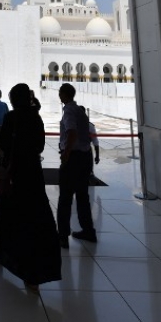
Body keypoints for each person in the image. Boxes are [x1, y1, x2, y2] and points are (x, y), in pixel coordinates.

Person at [0, 83, 61, 293]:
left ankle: (1, 252)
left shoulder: (12, 117)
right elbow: (39, 145)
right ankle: (35, 275)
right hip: (33, 175)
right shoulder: (36, 117)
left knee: (10, 217)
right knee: (36, 220)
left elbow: (2, 142)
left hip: (15, 175)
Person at [57, 83, 97, 247]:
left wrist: (66, 154)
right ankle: (88, 230)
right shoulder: (80, 110)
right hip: (85, 156)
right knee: (82, 196)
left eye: (60, 93)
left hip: (73, 158)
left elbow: (72, 132)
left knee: (65, 197)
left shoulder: (68, 110)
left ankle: (62, 236)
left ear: (65, 95)